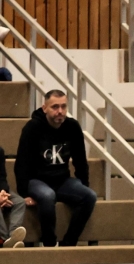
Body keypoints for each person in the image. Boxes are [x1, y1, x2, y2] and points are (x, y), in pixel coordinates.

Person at [14, 91, 96, 248]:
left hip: (62, 180)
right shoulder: (32, 127)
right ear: (44, 108)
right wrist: (24, 193)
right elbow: (21, 163)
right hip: (36, 180)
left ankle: (68, 244)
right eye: (55, 107)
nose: (60, 111)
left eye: (63, 106)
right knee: (47, 195)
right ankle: (49, 245)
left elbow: (80, 161)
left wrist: (83, 185)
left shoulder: (72, 126)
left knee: (89, 196)